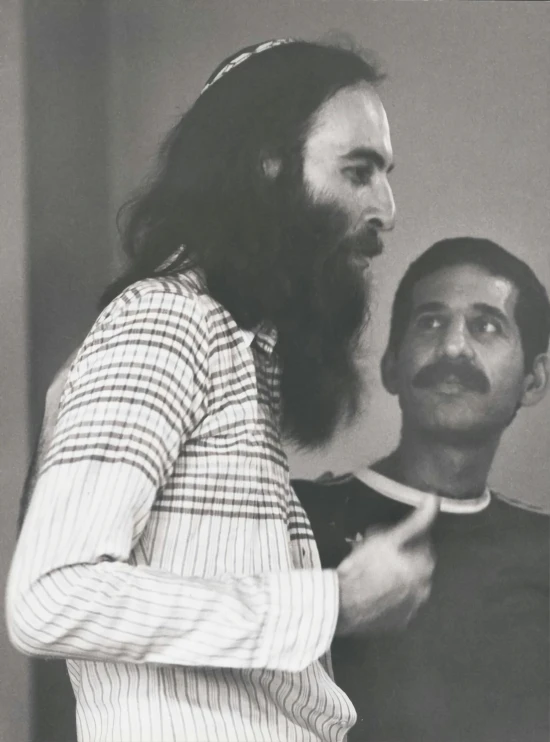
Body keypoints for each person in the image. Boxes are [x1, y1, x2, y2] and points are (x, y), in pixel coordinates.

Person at [7, 39, 438, 742]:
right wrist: (333, 602)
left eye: (384, 174)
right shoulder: (169, 320)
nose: (386, 208)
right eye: (357, 171)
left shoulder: (234, 347)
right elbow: (48, 598)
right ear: (264, 167)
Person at [294, 236, 550, 742]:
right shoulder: (298, 514)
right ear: (392, 364)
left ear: (533, 381)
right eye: (430, 322)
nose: (453, 347)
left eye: (486, 326)